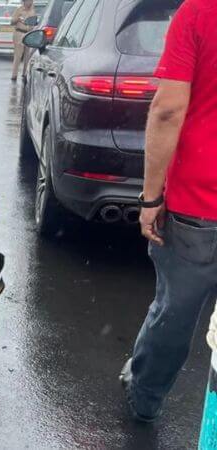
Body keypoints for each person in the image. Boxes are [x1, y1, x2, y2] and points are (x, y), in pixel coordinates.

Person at [120, 0, 217, 423]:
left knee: (176, 311)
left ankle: (145, 397)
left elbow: (167, 109)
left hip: (201, 200)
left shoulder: (199, 12)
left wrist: (151, 197)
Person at [10, 0, 35, 81]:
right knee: (18, 55)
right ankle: (14, 75)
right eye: (28, 1)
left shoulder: (33, 10)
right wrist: (18, 19)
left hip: (29, 33)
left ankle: (24, 74)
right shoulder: (19, 10)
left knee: (27, 56)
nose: (30, 2)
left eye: (31, 1)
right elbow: (12, 22)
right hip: (19, 33)